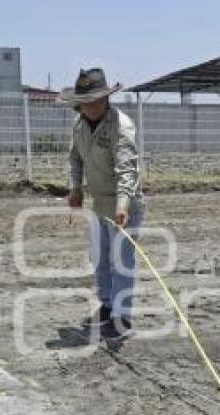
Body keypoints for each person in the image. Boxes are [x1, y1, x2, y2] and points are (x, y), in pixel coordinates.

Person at [58, 68, 144, 343]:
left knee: (121, 261)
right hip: (98, 203)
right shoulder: (80, 125)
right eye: (86, 102)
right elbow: (75, 160)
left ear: (106, 98)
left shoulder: (121, 125)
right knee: (100, 258)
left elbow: (127, 170)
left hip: (124, 202)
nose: (91, 107)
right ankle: (107, 306)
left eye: (96, 101)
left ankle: (122, 317)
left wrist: (123, 205)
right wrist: (75, 187)